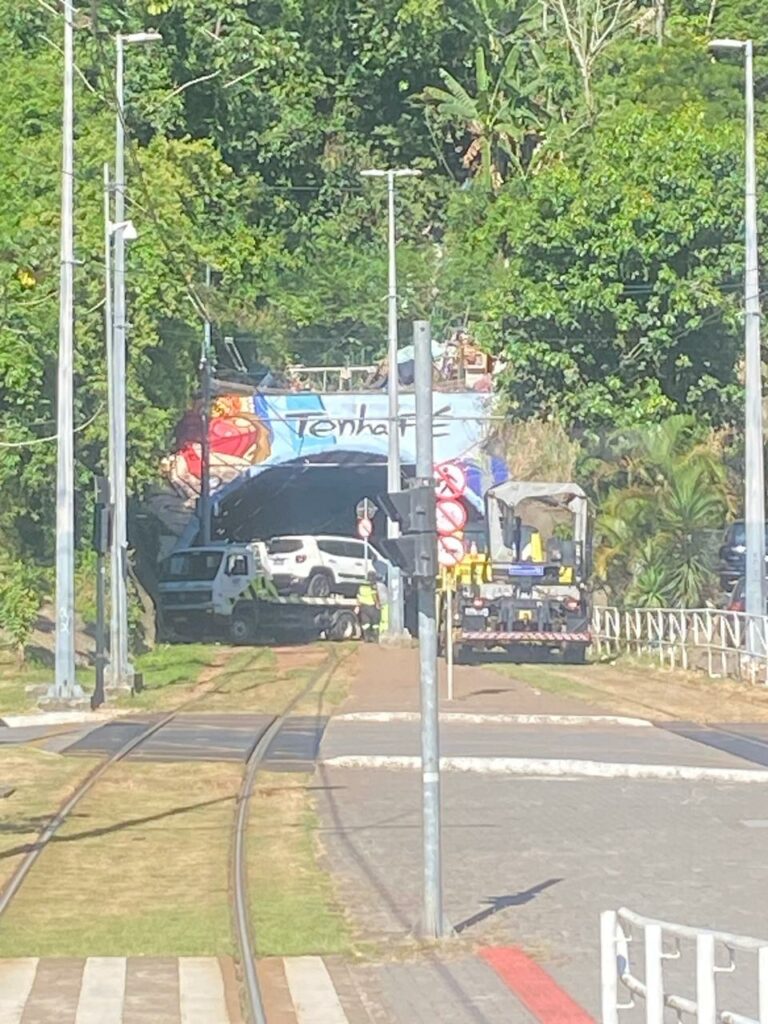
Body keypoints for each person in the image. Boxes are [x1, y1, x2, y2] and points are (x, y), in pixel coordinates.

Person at [355, 572, 381, 642]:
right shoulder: (372, 585)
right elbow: (374, 595)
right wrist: (377, 603)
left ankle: (366, 637)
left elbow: (358, 596)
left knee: (365, 623)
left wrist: (357, 605)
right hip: (371, 605)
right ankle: (375, 638)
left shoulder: (362, 585)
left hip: (363, 606)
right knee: (375, 623)